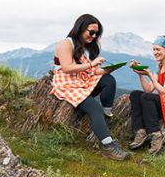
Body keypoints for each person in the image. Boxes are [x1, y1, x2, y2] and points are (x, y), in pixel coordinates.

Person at [51, 14, 130, 160]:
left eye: (96, 34)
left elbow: (91, 71)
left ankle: (106, 115)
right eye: (91, 32)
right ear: (80, 28)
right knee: (95, 109)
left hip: (82, 79)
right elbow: (67, 68)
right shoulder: (65, 44)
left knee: (108, 80)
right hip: (68, 84)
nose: (93, 36)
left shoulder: (84, 46)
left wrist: (107, 70)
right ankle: (108, 146)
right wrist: (92, 64)